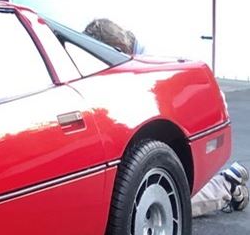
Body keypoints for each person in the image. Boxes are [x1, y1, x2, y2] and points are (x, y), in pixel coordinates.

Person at [84, 18, 246, 214]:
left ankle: (227, 185)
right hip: (178, 114)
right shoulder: (132, 51)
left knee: (164, 202)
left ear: (116, 50)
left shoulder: (148, 63)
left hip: (198, 113)